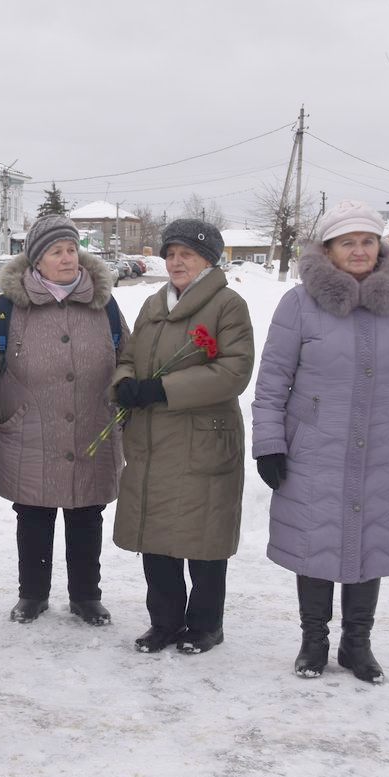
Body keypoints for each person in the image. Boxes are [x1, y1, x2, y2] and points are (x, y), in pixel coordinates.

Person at [251, 201, 389, 683]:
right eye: (348, 242)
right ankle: (313, 641)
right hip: (315, 447)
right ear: (329, 250)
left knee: (372, 542)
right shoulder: (299, 304)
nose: (359, 250)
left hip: (382, 446)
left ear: (380, 247)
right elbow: (273, 380)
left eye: (368, 241)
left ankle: (357, 643)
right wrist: (269, 444)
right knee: (315, 541)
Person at [0, 213, 128, 626]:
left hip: (93, 424)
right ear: (36, 260)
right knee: (34, 514)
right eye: (56, 251)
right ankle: (33, 595)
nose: (67, 258)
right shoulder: (9, 308)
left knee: (87, 513)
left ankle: (86, 596)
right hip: (29, 427)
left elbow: (128, 360)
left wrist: (124, 416)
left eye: (72, 249)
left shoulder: (104, 305)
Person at [112, 219, 254, 654]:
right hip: (153, 441)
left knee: (202, 538)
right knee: (156, 537)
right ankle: (165, 622)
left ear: (208, 260)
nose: (176, 262)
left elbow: (234, 371)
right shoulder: (154, 304)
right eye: (171, 254)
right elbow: (129, 356)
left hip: (202, 441)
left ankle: (206, 624)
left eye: (186, 254)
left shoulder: (227, 305)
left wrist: (162, 389)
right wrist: (124, 383)